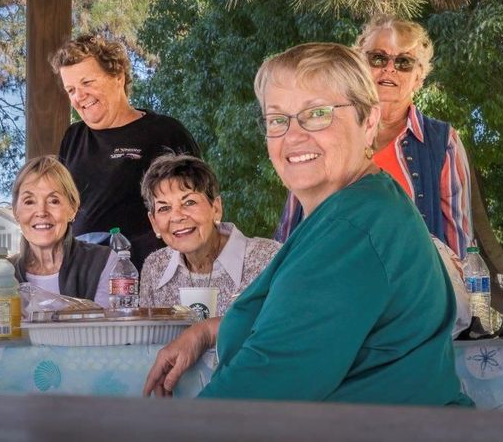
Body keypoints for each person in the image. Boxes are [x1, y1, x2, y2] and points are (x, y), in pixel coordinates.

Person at [144, 43, 470, 406]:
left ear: (369, 121)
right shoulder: (358, 206)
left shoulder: (352, 229)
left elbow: (258, 393)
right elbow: (307, 323)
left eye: (317, 113)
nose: (293, 135)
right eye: (277, 119)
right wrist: (205, 331)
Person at [276, 16, 473, 259]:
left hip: (409, 289)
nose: (389, 69)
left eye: (404, 62)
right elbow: (289, 228)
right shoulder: (324, 130)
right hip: (327, 280)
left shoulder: (443, 142)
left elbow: (459, 244)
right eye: (378, 58)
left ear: (419, 77)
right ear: (359, 68)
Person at [52, 34, 200, 270]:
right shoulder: (73, 137)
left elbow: (198, 206)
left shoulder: (165, 132)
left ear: (118, 77)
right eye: (71, 90)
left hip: (148, 275)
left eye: (87, 83)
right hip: (81, 276)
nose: (79, 97)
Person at [139, 154, 280, 316]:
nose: (177, 216)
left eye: (189, 202)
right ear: (154, 222)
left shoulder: (267, 258)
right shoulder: (155, 267)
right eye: (164, 208)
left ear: (216, 208)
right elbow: (150, 339)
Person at [10, 156, 116, 307]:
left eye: (53, 201)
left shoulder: (103, 262)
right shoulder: (1, 274)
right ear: (16, 212)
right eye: (29, 201)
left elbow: (107, 328)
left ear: (73, 208)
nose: (41, 212)